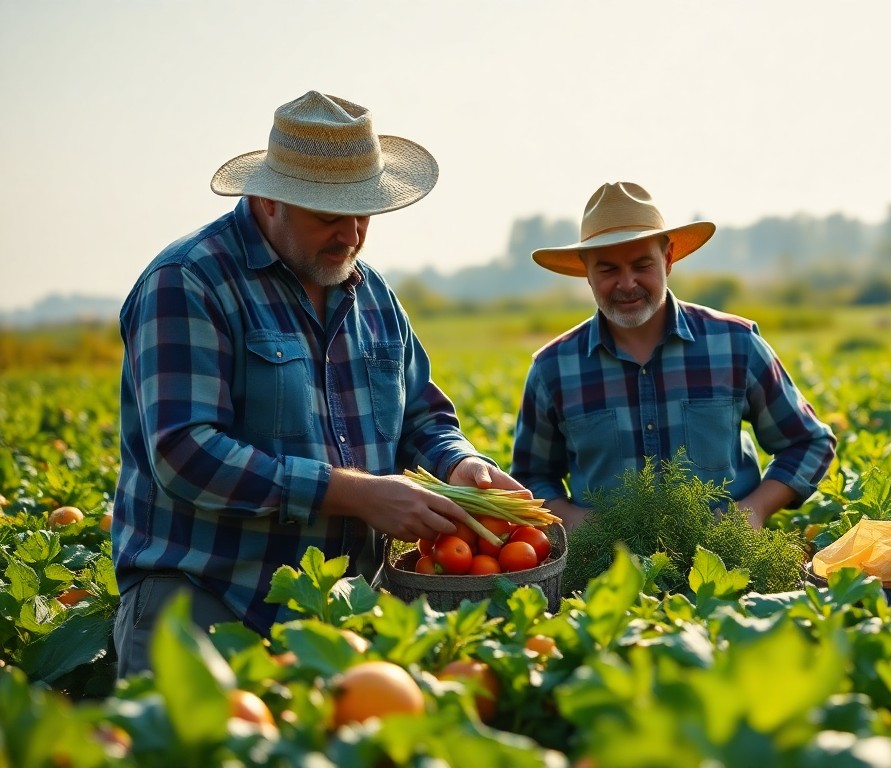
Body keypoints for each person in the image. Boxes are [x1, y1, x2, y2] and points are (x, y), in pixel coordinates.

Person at [112, 91, 525, 677]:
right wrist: (354, 493)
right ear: (268, 200)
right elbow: (184, 453)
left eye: (364, 214)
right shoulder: (188, 282)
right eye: (329, 215)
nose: (351, 234)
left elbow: (422, 419)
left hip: (344, 616)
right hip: (206, 602)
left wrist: (458, 464)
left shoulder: (373, 294)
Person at [511, 181, 836, 530]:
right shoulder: (553, 368)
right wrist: (576, 521)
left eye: (641, 265)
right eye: (608, 270)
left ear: (667, 260)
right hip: (606, 572)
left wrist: (755, 508)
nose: (627, 283)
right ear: (587, 274)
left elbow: (808, 442)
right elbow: (532, 476)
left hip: (729, 560)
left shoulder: (735, 343)